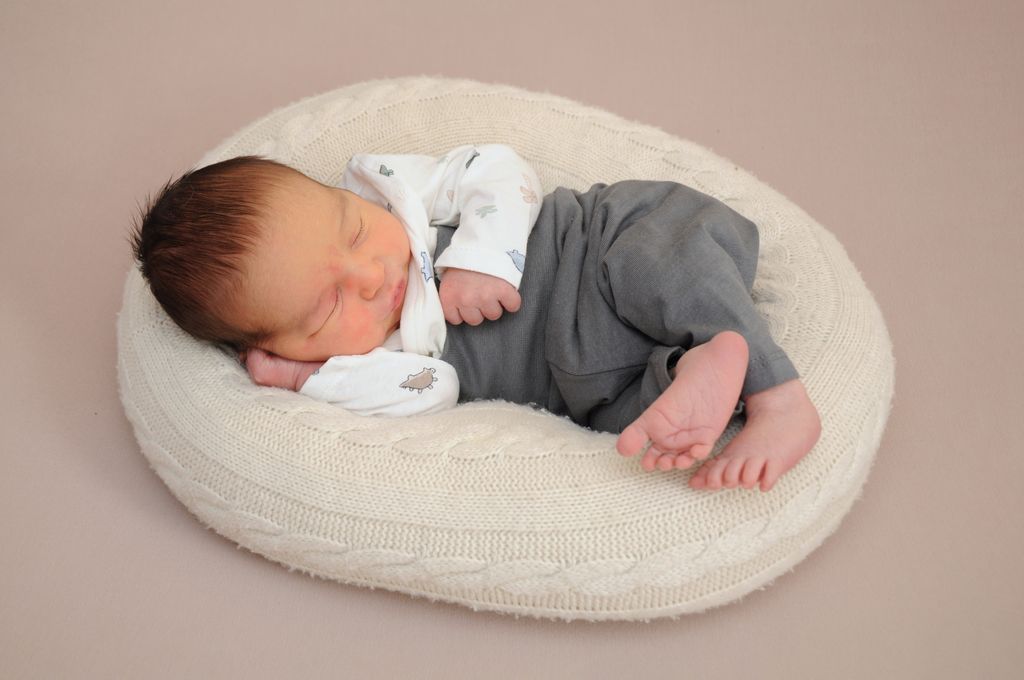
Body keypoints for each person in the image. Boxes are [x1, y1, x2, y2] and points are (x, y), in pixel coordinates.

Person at [131, 144, 821, 492]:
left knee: (662, 267)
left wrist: (485, 255)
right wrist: (303, 380)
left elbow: (498, 168)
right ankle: (699, 369)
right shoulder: (371, 363)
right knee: (634, 423)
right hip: (589, 381)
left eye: (353, 231)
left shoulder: (397, 191)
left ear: (348, 194)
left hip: (594, 251)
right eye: (328, 306)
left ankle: (778, 397)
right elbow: (435, 390)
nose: (371, 275)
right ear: (283, 344)